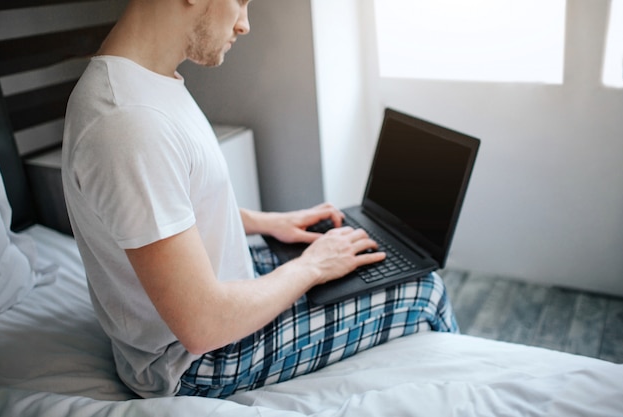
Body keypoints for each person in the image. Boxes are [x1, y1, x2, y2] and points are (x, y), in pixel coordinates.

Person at [62, 0, 458, 399]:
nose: (244, 24)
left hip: (220, 293)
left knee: (361, 257)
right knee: (427, 290)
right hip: (199, 361)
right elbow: (203, 326)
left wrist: (268, 222)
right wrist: (312, 268)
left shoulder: (149, 85)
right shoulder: (127, 123)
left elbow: (171, 207)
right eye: (240, 1)